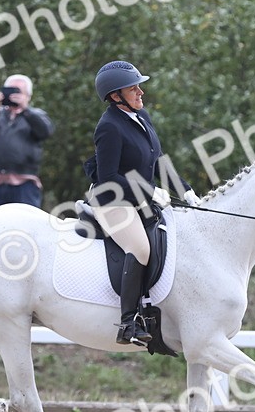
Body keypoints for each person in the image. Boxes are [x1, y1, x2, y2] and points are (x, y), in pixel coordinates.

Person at [85, 60, 198, 345]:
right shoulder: (109, 127)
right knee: (140, 248)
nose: (140, 92)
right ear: (115, 96)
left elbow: (158, 160)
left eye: (139, 87)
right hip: (112, 200)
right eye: (133, 88)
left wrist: (185, 191)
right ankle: (128, 323)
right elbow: (109, 177)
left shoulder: (141, 116)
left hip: (139, 198)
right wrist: (150, 191)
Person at [0, 74, 55, 211]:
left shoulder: (36, 115)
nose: (13, 96)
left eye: (18, 92)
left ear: (28, 96)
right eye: (10, 91)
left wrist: (25, 110)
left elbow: (45, 132)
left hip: (25, 184)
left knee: (26, 222)